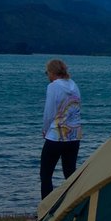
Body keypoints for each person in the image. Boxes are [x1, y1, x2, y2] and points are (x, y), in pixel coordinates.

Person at [40, 58, 82, 199]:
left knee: (46, 174)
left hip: (56, 135)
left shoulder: (53, 86)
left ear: (52, 72)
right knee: (70, 173)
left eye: (47, 73)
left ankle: (46, 209)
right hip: (74, 135)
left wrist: (45, 129)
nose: (47, 76)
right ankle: (74, 202)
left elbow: (49, 112)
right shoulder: (74, 85)